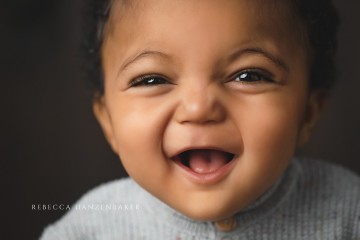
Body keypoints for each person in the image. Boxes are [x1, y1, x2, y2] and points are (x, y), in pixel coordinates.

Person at [40, 0, 360, 239]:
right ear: (108, 120)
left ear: (307, 113)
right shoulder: (91, 226)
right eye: (152, 80)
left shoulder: (348, 211)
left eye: (249, 75)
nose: (198, 108)